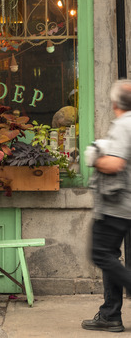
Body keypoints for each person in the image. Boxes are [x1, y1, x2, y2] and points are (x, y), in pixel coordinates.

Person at [81, 79, 131, 333]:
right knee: (111, 256)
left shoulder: (123, 125)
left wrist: (95, 156)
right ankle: (110, 315)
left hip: (117, 204)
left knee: (101, 254)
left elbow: (115, 164)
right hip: (125, 205)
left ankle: (111, 312)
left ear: (114, 104)